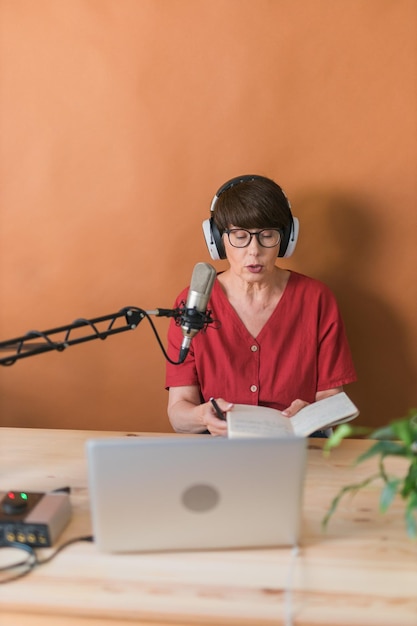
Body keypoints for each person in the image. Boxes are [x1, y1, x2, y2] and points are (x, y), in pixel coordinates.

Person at [165, 174, 357, 436]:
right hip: (219, 452)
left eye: (267, 236)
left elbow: (332, 399)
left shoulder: (317, 299)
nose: (254, 250)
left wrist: (313, 413)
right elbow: (178, 412)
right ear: (218, 240)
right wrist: (202, 416)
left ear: (286, 238)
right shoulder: (193, 303)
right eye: (240, 236)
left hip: (297, 449)